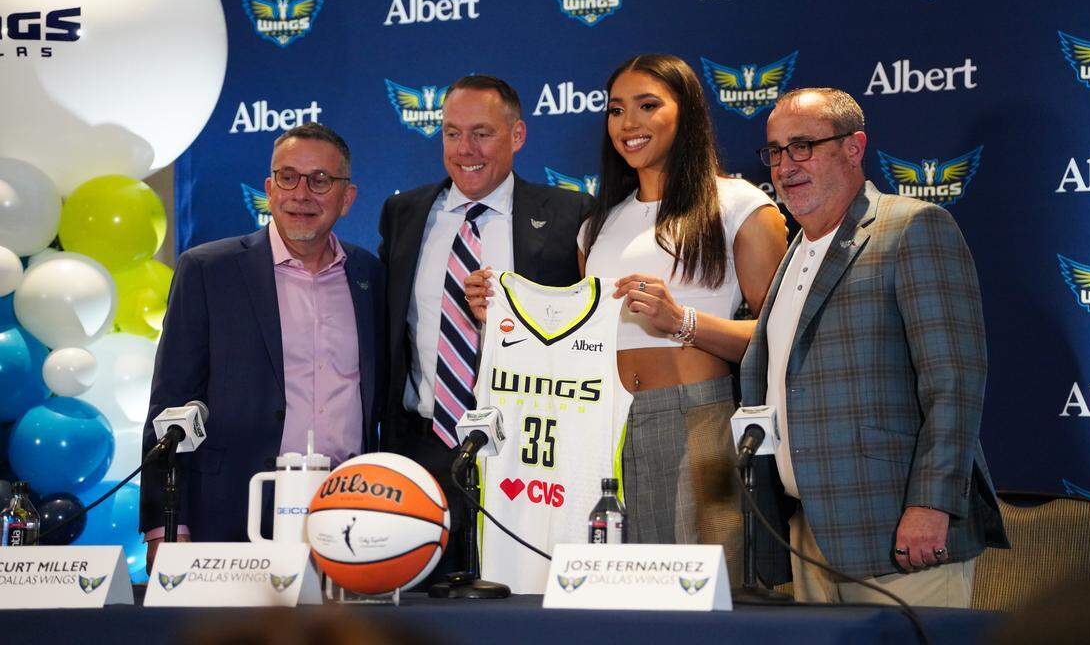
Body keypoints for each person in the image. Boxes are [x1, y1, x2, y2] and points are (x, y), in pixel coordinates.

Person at [470, 54, 787, 581]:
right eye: (616, 110)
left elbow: (781, 336)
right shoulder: (598, 225)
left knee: (705, 591)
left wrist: (682, 321)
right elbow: (573, 346)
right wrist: (502, 318)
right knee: (612, 590)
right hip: (599, 429)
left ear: (687, 113)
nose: (628, 124)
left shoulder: (741, 207)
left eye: (647, 106)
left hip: (700, 422)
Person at [740, 87, 1008, 606]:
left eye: (803, 146)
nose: (784, 165)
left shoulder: (913, 228)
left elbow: (954, 384)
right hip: (809, 539)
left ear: (854, 147)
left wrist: (932, 506)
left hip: (900, 538)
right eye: (774, 150)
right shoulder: (795, 251)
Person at [140, 123, 384, 570]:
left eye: (320, 181)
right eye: (288, 178)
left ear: (347, 198)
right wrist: (164, 523)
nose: (302, 194)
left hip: (347, 515)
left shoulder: (368, 275)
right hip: (230, 513)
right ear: (269, 190)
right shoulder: (208, 270)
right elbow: (171, 403)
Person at [378, 74, 592, 580]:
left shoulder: (569, 213)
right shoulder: (404, 213)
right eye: (452, 133)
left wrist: (512, 317)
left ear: (517, 136)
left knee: (520, 597)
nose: (464, 149)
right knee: (421, 606)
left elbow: (584, 336)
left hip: (524, 449)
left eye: (482, 133)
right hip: (424, 444)